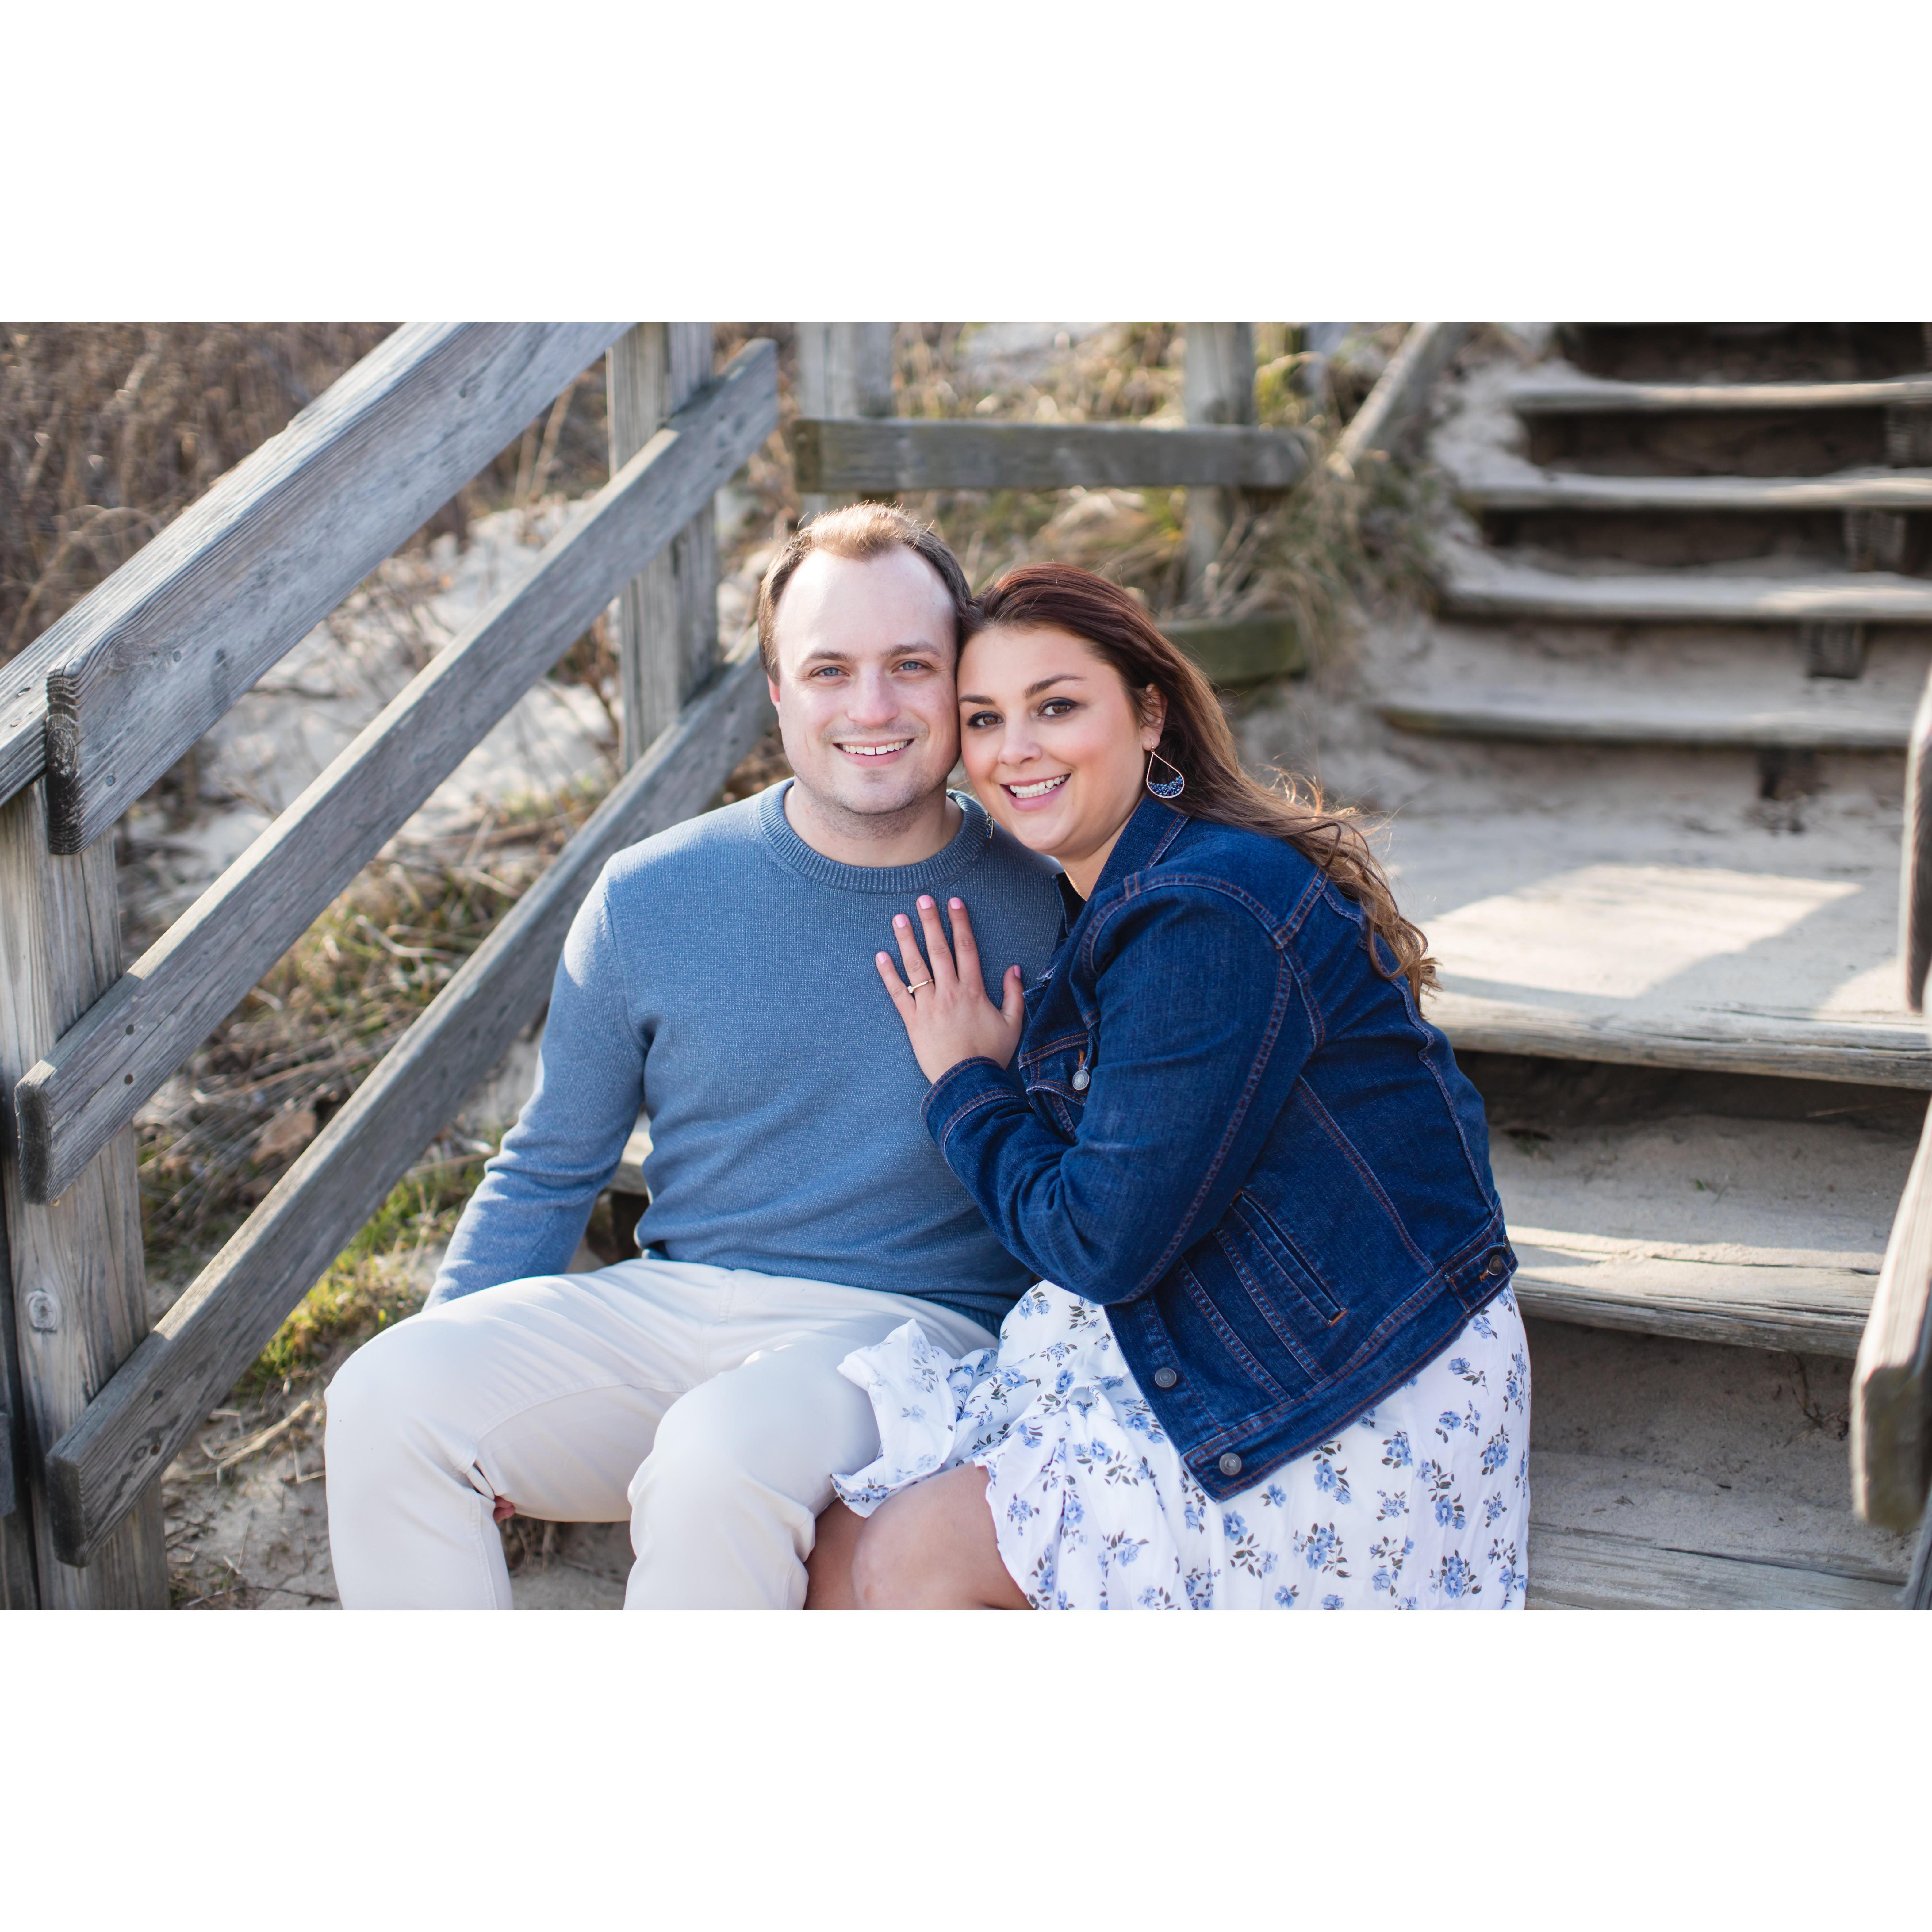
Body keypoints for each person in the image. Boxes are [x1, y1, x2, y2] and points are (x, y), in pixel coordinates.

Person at [322, 506, 1066, 1608]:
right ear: (776, 692)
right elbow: (548, 1166)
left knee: (716, 1456)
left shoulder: (1050, 893)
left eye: (910, 665)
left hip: (913, 1335)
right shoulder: (651, 893)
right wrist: (467, 1338)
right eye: (828, 670)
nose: (871, 707)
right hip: (676, 1301)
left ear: (960, 675)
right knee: (389, 1391)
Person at [806, 564, 1531, 1611]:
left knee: (915, 1554)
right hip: (1235, 1325)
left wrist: (967, 1084)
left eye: (1056, 706)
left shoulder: (1203, 910)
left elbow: (1102, 1242)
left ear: (1149, 715)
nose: (1015, 749)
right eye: (983, 718)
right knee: (836, 1541)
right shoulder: (1124, 891)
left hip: (1360, 1385)